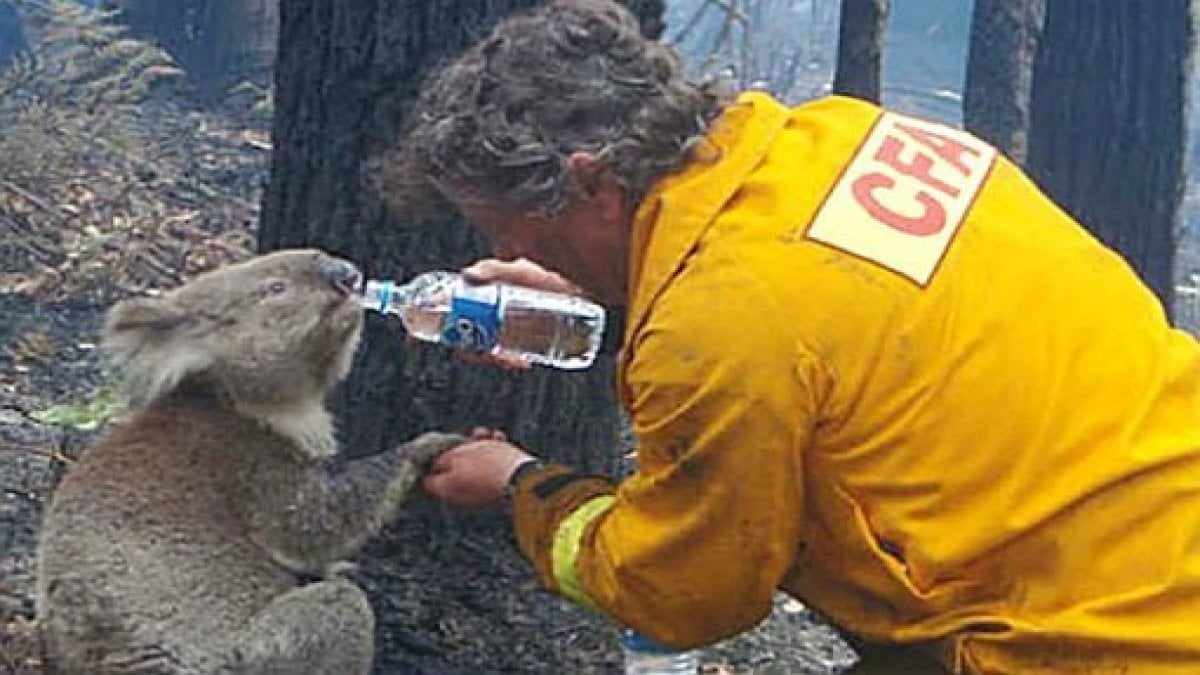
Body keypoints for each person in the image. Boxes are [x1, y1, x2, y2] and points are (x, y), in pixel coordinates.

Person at [382, 1, 1200, 672]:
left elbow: (687, 591)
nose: (506, 257)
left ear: (592, 182)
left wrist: (522, 486)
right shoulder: (840, 137)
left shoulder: (720, 330)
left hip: (1096, 640)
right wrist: (599, 297)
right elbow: (826, 333)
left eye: (510, 230)